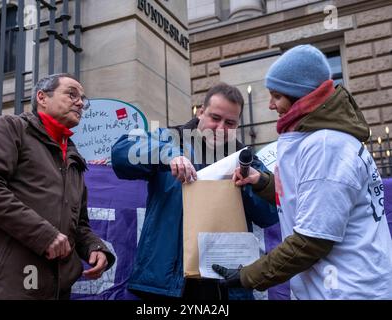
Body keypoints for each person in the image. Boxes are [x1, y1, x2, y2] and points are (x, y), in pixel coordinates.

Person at [212, 45, 392, 299]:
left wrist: (247, 276)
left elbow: (311, 241)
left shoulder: (326, 146)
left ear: (301, 96)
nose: (271, 105)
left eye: (277, 96)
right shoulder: (319, 139)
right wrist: (262, 181)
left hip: (347, 291)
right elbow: (310, 196)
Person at [111, 83, 278, 300]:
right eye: (215, 118)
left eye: (230, 123)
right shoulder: (168, 139)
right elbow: (121, 153)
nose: (220, 128)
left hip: (224, 284)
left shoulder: (247, 159)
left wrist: (253, 183)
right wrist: (167, 155)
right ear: (200, 112)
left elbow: (269, 215)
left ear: (238, 124)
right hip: (167, 281)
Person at [0, 73, 115, 299]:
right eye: (72, 94)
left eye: (83, 99)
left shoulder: (73, 157)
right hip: (6, 286)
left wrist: (94, 247)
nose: (80, 103)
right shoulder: (11, 128)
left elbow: (78, 224)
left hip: (57, 290)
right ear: (42, 97)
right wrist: (43, 234)